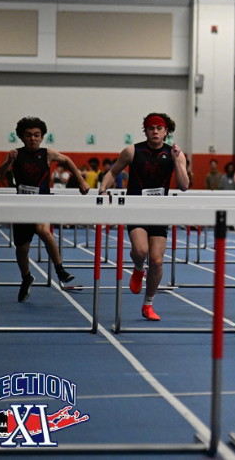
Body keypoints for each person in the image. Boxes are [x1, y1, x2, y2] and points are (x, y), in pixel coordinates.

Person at [99, 113, 190, 321]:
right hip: (136, 208)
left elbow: (184, 186)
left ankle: (148, 304)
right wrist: (103, 190)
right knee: (140, 250)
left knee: (157, 261)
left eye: (159, 128)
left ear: (166, 131)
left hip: (159, 211)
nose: (155, 132)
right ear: (145, 131)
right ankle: (139, 268)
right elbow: (113, 172)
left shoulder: (175, 154)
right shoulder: (132, 151)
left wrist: (177, 161)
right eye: (151, 128)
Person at [0, 117, 90, 302]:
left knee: (43, 230)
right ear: (21, 137)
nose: (33, 138)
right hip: (22, 206)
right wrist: (8, 162)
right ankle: (26, 277)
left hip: (42, 202)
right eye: (28, 135)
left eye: (37, 135)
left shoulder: (48, 154)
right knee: (22, 249)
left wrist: (81, 180)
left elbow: (67, 160)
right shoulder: (15, 154)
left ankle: (60, 270)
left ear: (42, 137)